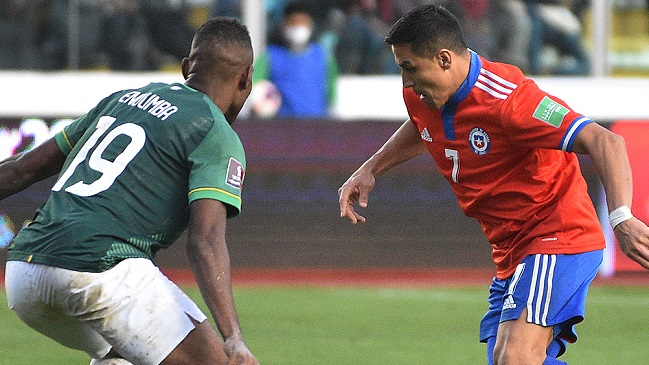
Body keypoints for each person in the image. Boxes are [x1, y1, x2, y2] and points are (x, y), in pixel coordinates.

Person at [338, 5, 649, 365]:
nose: (406, 82)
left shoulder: (509, 100)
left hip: (557, 234)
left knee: (516, 358)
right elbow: (422, 124)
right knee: (508, 360)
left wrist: (621, 218)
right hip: (510, 250)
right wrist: (371, 168)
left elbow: (604, 141)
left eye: (409, 68)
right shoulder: (423, 94)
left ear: (443, 59)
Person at [1, 17, 258, 365]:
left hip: (24, 275)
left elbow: (22, 169)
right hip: (98, 269)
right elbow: (205, 240)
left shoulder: (124, 98)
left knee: (121, 356)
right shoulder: (215, 131)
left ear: (186, 68)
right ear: (245, 78)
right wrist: (234, 339)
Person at [252, 1, 338, 118]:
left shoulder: (323, 56)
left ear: (311, 24)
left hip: (317, 127)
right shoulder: (270, 56)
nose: (298, 28)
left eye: (303, 23)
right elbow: (254, 86)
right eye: (293, 23)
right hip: (282, 128)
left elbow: (331, 93)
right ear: (284, 24)